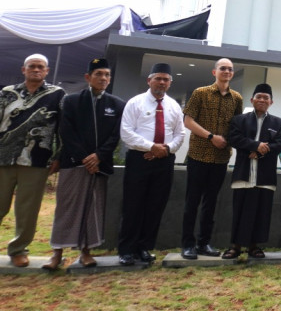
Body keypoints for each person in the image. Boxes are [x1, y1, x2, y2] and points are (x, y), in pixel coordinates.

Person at [44, 58, 124, 270]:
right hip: (73, 164)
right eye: (99, 74)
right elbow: (66, 132)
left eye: (107, 75)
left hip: (100, 166)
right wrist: (84, 158)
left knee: (92, 210)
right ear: (88, 77)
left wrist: (98, 156)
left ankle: (86, 252)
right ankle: (56, 253)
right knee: (66, 208)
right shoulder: (71, 101)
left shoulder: (117, 105)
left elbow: (115, 136)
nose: (103, 78)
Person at [0, 54, 65, 267]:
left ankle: (18, 250)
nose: (36, 70)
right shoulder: (7, 93)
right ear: (23, 69)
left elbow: (62, 129)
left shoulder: (57, 95)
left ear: (46, 71)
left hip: (37, 159)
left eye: (40, 67)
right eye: (32, 66)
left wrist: (58, 156)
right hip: (3, 158)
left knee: (27, 209)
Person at [117, 62, 185, 266]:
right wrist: (150, 147)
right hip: (139, 160)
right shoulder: (135, 103)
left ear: (170, 83)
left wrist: (165, 149)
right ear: (149, 80)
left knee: (155, 206)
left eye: (166, 79)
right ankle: (126, 250)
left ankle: (144, 248)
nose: (162, 82)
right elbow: (126, 132)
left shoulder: (173, 106)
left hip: (164, 161)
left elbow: (180, 134)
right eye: (158, 78)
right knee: (133, 205)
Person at [180, 58, 243, 259]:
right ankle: (187, 244)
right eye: (222, 68)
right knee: (192, 202)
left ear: (233, 74)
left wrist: (233, 142)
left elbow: (237, 126)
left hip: (221, 158)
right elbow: (188, 120)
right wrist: (210, 137)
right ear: (214, 72)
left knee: (211, 203)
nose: (226, 71)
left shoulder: (236, 98)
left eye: (230, 69)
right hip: (199, 155)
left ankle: (204, 243)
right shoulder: (201, 93)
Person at [222, 83, 281, 260]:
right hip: (243, 172)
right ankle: (235, 246)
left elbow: (279, 144)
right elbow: (234, 138)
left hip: (265, 174)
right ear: (252, 100)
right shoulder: (239, 120)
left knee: (261, 211)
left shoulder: (279, 123)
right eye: (259, 97)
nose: (262, 100)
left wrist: (259, 151)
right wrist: (255, 145)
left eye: (266, 98)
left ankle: (254, 247)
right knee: (240, 210)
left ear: (271, 102)